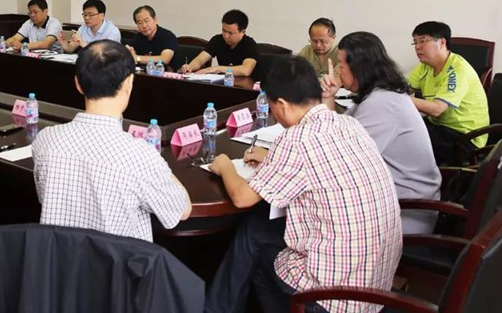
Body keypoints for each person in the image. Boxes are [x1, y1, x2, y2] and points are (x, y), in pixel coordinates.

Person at [205, 56, 401, 313]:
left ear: (282, 105)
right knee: (259, 228)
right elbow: (324, 162)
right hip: (376, 286)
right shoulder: (349, 124)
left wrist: (225, 167)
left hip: (334, 298)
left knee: (254, 237)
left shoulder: (296, 140)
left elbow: (242, 198)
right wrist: (271, 158)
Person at [32, 40, 191, 242]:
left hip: (57, 259)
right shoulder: (140, 155)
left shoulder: (45, 139)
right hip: (118, 263)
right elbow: (182, 211)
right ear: (129, 83)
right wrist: (157, 162)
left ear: (78, 84)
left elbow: (44, 197)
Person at [321, 31, 441, 233]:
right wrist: (328, 96)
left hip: (405, 212)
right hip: (393, 198)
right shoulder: (377, 94)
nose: (339, 71)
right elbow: (336, 132)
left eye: (341, 65)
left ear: (359, 68)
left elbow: (340, 159)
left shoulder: (382, 103)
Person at [407, 21, 489, 165]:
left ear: (442, 43)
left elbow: (437, 109)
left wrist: (398, 98)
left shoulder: (457, 69)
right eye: (415, 42)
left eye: (423, 41)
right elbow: (404, 89)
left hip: (465, 137)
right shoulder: (425, 67)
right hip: (440, 126)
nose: (418, 47)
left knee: (407, 137)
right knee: (402, 125)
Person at [180, 9, 258, 76]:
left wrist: (217, 68)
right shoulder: (217, 40)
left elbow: (246, 70)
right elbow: (199, 60)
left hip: (244, 85)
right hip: (223, 83)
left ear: (243, 32)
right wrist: (189, 67)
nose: (226, 36)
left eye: (230, 33)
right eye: (224, 30)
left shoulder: (249, 44)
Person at [125, 5, 179, 70]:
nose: (144, 26)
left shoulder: (168, 36)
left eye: (146, 21)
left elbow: (165, 59)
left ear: (155, 20)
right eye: (140, 23)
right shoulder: (138, 37)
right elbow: (129, 52)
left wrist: (137, 58)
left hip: (166, 74)